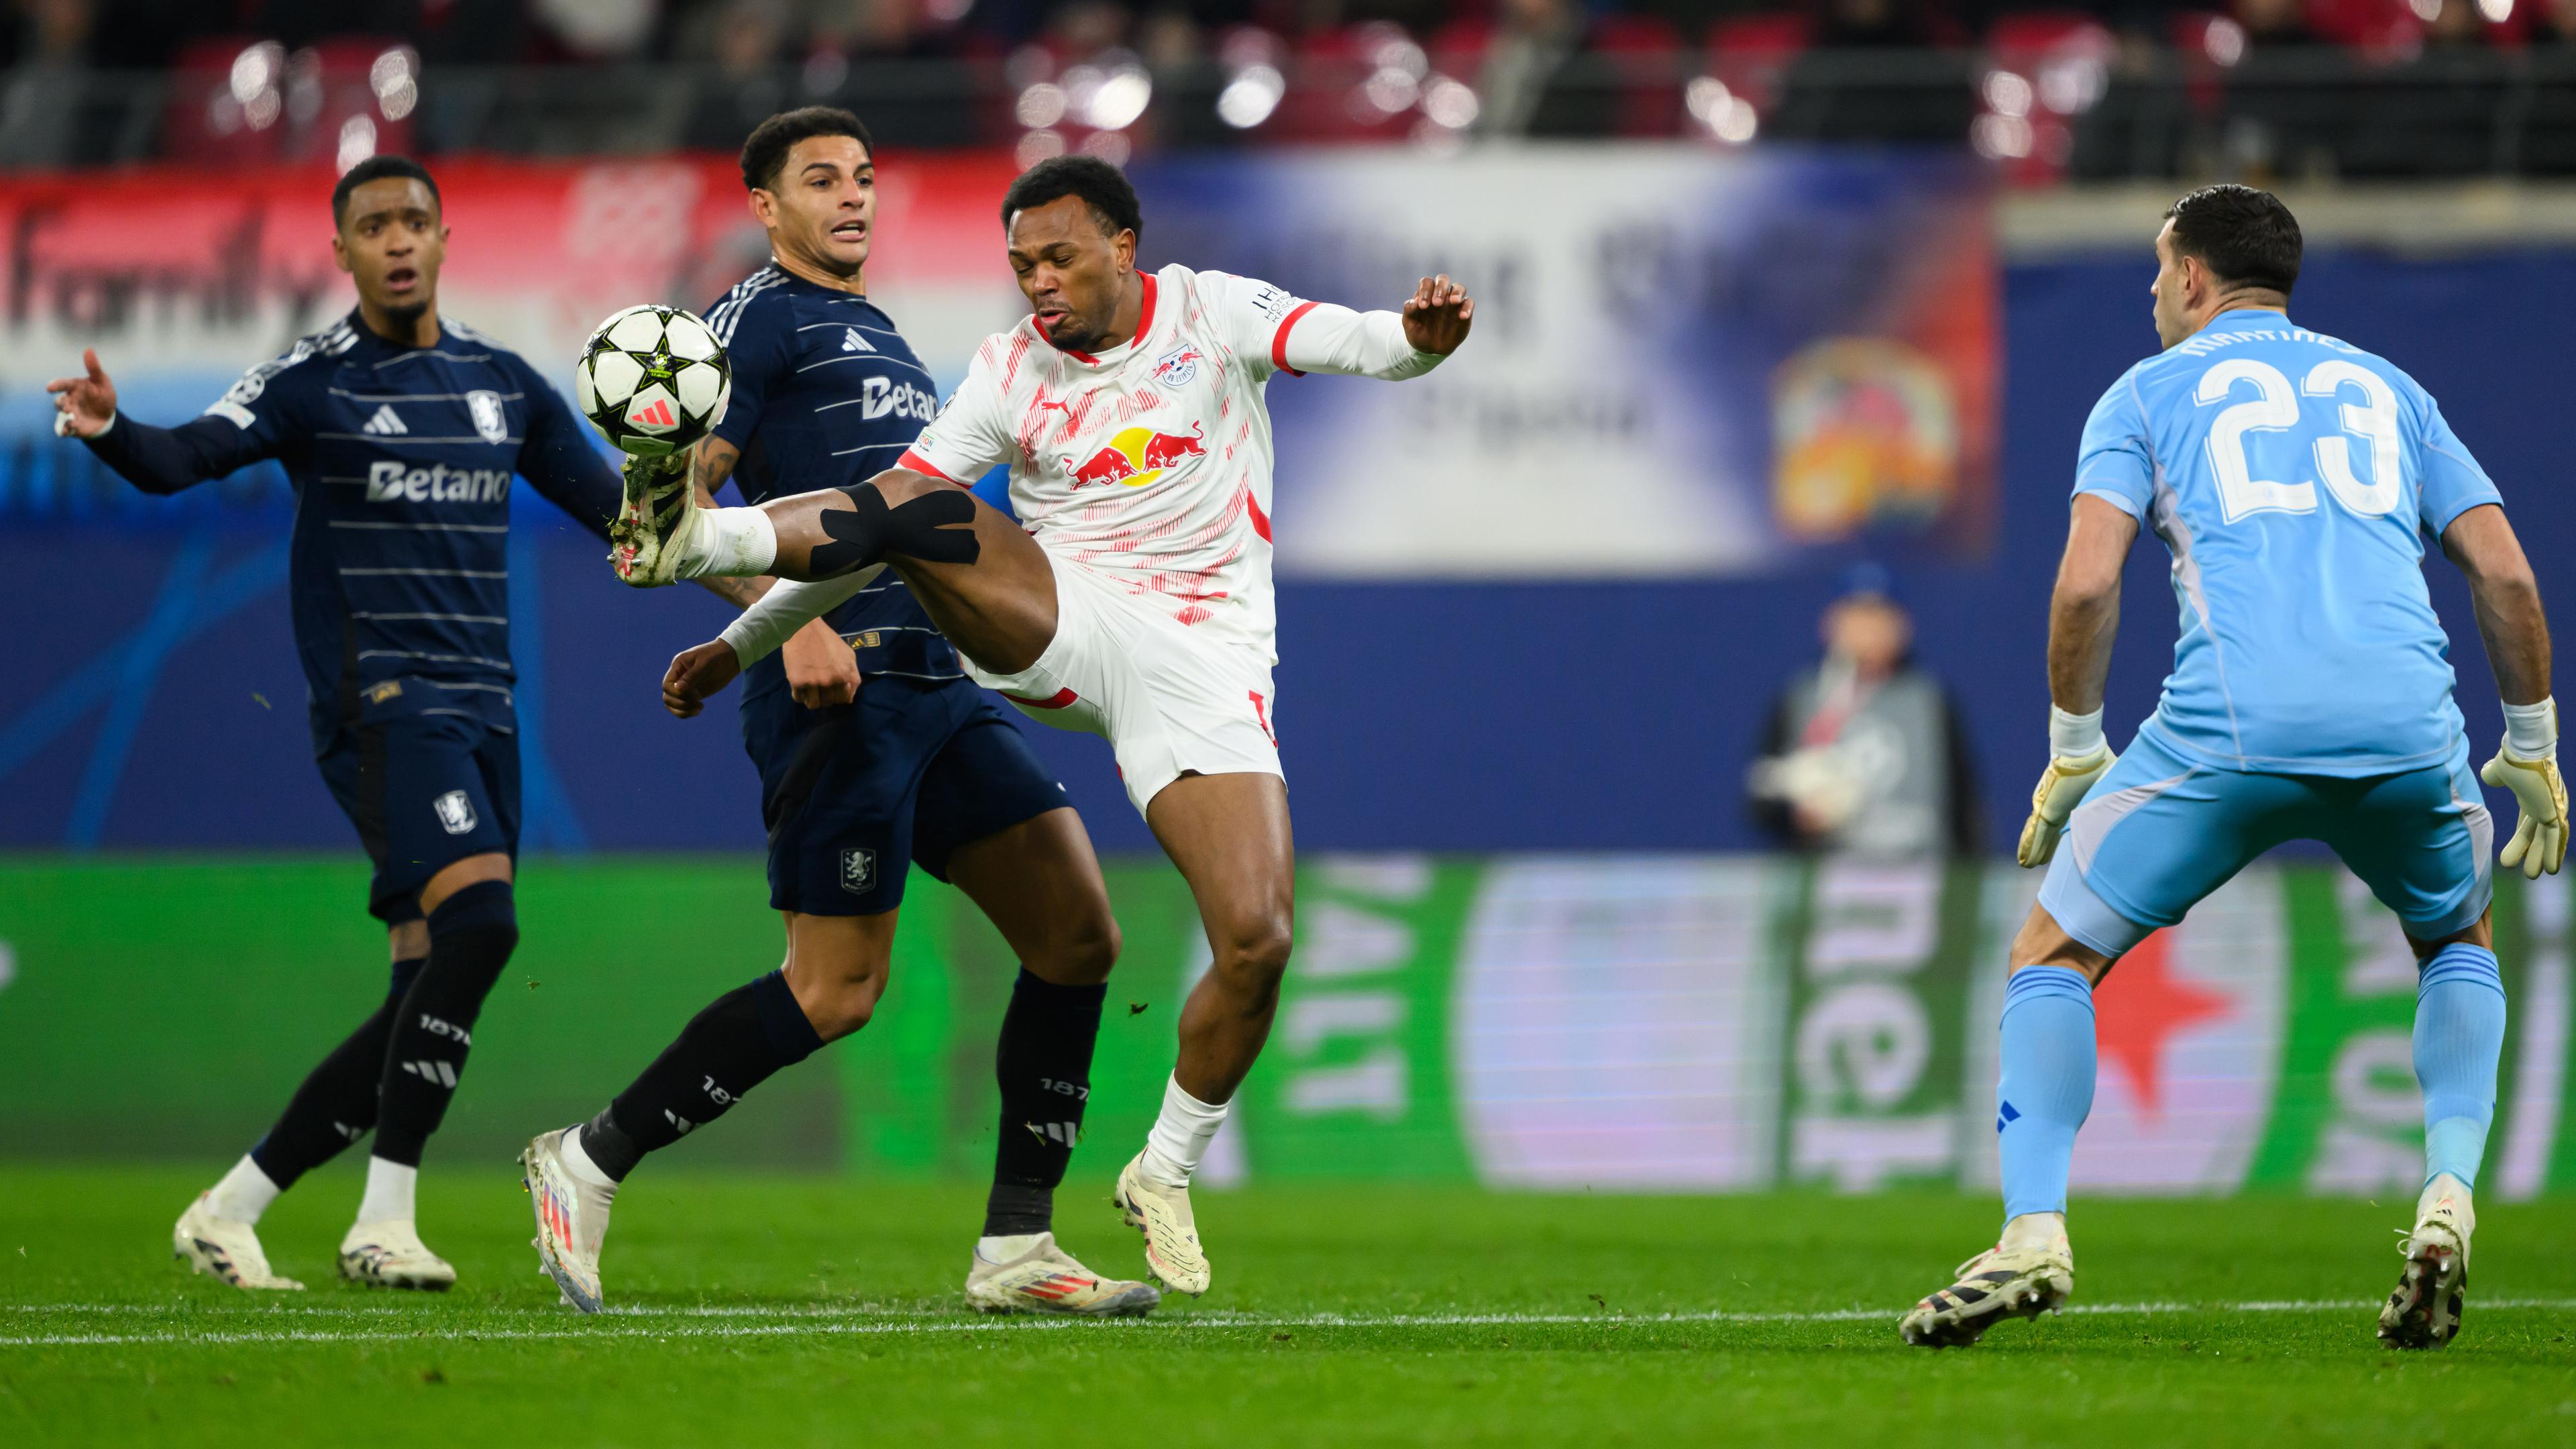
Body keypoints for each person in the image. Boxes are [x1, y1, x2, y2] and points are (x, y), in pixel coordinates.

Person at [607, 155, 1472, 1296]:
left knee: (1258, 939)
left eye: (1059, 257)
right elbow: (882, 521)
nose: (1038, 283)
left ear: (1124, 246)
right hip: (1065, 623)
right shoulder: (1008, 372)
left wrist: (1424, 339)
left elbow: (1372, 344)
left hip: (1205, 668)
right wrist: (742, 636)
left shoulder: (1216, 313)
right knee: (925, 503)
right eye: (1020, 265)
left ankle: (1162, 1172)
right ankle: (694, 538)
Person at [1899, 185, 2563, 1351]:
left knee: (2051, 952)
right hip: (2408, 733)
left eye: (2160, 270)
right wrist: (2534, 744)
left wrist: (2072, 753)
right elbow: (2503, 576)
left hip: (2234, 733)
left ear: (2196, 279)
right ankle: (2449, 1196)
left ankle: (2035, 1232)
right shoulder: (2392, 390)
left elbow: (2087, 585)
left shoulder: (2145, 393)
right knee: (2458, 944)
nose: (2153, 291)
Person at [517, 109, 1151, 1318]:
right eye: (821, 180)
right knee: (836, 992)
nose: (853, 196)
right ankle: (589, 1157)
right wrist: (782, 621)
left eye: (865, 175)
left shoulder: (885, 335)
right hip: (836, 686)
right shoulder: (752, 319)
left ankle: (1017, 1248)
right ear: (765, 204)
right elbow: (682, 507)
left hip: (935, 680)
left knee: (1077, 936)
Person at [47, 156, 632, 1293]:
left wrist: (723, 535)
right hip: (383, 710)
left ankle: (233, 1205)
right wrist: (117, 430)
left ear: (445, 238)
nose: (400, 239)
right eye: (376, 226)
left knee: (421, 978)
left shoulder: (503, 385)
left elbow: (618, 515)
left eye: (416, 219)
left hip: (485, 712)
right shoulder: (311, 383)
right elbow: (186, 459)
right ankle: (384, 1220)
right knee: (483, 929)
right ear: (344, 254)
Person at [1747, 564, 1981, 858]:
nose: (1869, 629)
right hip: (1827, 878)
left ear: (1903, 626)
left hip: (1920, 876)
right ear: (1830, 624)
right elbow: (1760, 796)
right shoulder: (1802, 698)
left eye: (1881, 616)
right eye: (1857, 615)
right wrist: (1795, 814)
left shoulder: (1931, 701)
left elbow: (1966, 807)